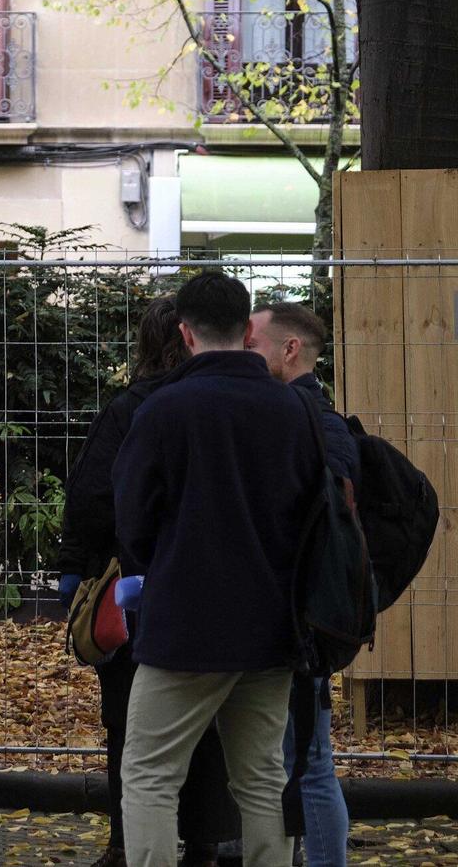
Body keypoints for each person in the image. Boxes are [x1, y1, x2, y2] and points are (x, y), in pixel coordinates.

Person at [112, 271, 324, 867]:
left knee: (150, 773)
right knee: (261, 776)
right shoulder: (293, 409)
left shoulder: (163, 409)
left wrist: (163, 573)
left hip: (185, 624)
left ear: (184, 332)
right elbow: (312, 512)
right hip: (273, 623)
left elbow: (132, 517)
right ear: (245, 328)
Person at [56, 297, 239, 867]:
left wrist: (76, 566)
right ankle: (205, 843)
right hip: (222, 587)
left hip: (138, 587)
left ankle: (125, 843)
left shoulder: (132, 407)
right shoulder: (235, 403)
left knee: (131, 727)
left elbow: (91, 496)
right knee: (209, 723)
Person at [251, 301, 359, 867]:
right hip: (305, 615)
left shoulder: (303, 420)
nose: (245, 356)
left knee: (307, 760)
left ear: (289, 350)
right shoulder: (322, 419)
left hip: (295, 619)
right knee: (306, 758)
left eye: (253, 346)